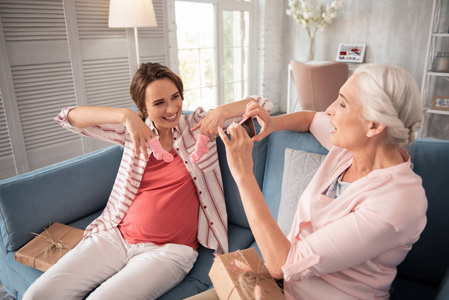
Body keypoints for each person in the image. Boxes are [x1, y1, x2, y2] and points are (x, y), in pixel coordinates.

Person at [23, 62, 272, 300]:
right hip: (116, 237)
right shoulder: (133, 132)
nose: (172, 108)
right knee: (37, 295)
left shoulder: (196, 125)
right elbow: (67, 117)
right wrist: (125, 116)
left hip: (168, 252)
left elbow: (262, 104)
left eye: (176, 97)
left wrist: (221, 111)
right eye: (159, 103)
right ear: (143, 107)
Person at [217, 63, 427, 299]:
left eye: (343, 103)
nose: (329, 109)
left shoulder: (397, 203)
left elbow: (283, 263)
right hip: (287, 289)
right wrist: (274, 123)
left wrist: (243, 174)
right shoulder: (350, 148)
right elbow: (310, 119)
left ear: (374, 125)